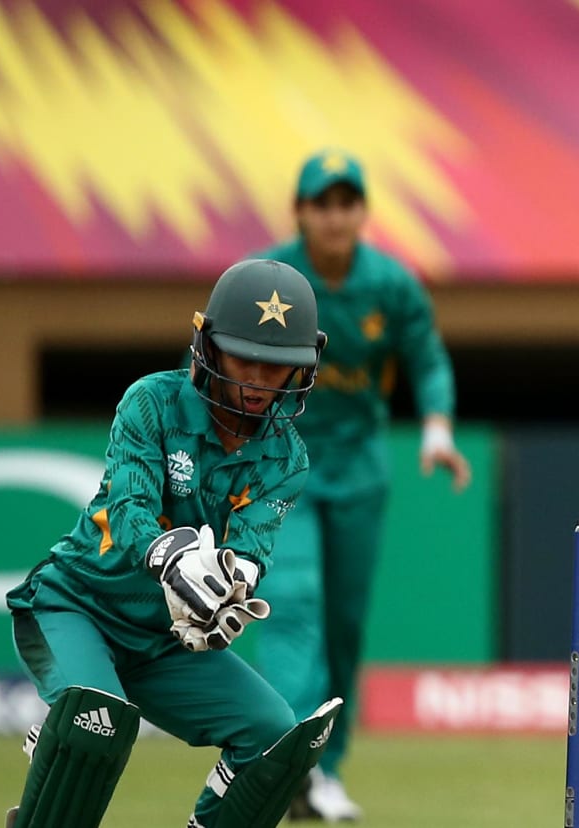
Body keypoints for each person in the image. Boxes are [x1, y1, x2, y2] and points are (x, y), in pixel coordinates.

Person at [4, 259, 339, 828]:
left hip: (164, 642)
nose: (259, 379)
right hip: (75, 607)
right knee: (96, 723)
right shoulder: (151, 403)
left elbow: (254, 543)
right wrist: (175, 559)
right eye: (245, 357)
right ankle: (62, 744)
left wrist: (230, 587)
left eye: (278, 365)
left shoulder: (288, 456)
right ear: (208, 345)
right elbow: (131, 507)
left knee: (275, 740)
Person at [248, 148, 469, 822]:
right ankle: (278, 756)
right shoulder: (268, 278)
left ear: (363, 213)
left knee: (343, 626)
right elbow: (208, 359)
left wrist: (436, 428)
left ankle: (326, 769)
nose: (336, 217)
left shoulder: (391, 286)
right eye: (323, 204)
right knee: (291, 603)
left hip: (359, 469)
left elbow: (427, 358)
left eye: (348, 203)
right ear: (301, 212)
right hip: (283, 465)